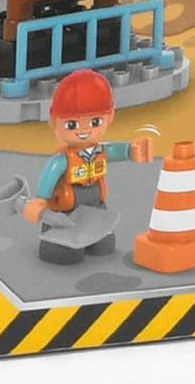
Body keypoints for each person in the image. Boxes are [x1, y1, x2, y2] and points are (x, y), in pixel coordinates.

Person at [22, 68, 153, 263]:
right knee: (65, 251)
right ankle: (60, 249)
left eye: (95, 121)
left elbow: (116, 150)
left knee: (104, 243)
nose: (84, 130)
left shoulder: (100, 151)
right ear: (54, 123)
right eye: (72, 125)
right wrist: (41, 199)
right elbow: (50, 174)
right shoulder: (62, 160)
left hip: (96, 207)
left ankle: (98, 241)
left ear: (110, 117)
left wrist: (132, 151)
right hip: (67, 211)